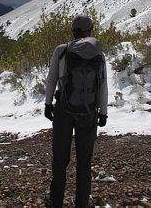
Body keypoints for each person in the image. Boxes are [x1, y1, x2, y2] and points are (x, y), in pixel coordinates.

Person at [44, 14, 108, 208]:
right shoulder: (98, 53)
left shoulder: (62, 50)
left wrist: (48, 104)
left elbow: (52, 79)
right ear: (90, 31)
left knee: (60, 159)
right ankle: (82, 201)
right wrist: (103, 112)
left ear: (73, 31)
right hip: (89, 112)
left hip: (64, 110)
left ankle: (56, 200)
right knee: (84, 161)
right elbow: (103, 85)